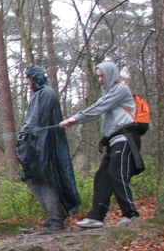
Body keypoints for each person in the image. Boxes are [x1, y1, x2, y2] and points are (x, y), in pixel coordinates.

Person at [60, 61, 143, 228]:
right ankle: (96, 217)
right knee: (102, 177)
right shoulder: (107, 96)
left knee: (116, 174)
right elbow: (96, 112)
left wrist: (76, 117)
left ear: (110, 74)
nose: (100, 79)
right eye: (98, 76)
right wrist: (75, 121)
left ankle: (131, 214)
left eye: (102, 75)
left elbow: (97, 108)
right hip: (113, 143)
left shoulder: (120, 90)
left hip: (125, 139)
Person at [16, 64, 81, 231]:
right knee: (32, 178)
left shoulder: (46, 94)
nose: (27, 82)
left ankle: (57, 219)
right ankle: (55, 215)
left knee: (46, 180)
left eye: (28, 78)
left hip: (43, 147)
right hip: (36, 145)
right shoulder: (39, 95)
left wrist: (26, 134)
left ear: (35, 78)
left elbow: (38, 122)